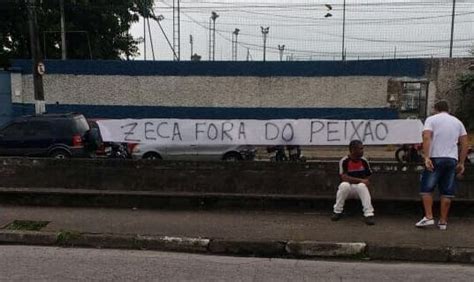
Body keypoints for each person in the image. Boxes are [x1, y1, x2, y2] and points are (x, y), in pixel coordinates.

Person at [415, 100, 469, 231]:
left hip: (436, 157)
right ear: (448, 109)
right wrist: (461, 162)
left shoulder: (431, 120)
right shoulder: (457, 122)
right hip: (451, 159)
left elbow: (427, 137)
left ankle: (428, 217)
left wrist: (426, 157)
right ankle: (443, 221)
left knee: (426, 188)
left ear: (435, 109)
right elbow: (465, 144)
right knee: (447, 191)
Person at [331, 140, 375, 225]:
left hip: (360, 190)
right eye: (360, 149)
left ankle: (369, 214)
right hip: (349, 189)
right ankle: (337, 211)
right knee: (344, 185)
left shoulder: (364, 160)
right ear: (353, 150)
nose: (362, 151)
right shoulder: (345, 161)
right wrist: (360, 180)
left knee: (362, 186)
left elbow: (368, 175)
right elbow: (344, 177)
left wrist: (364, 182)